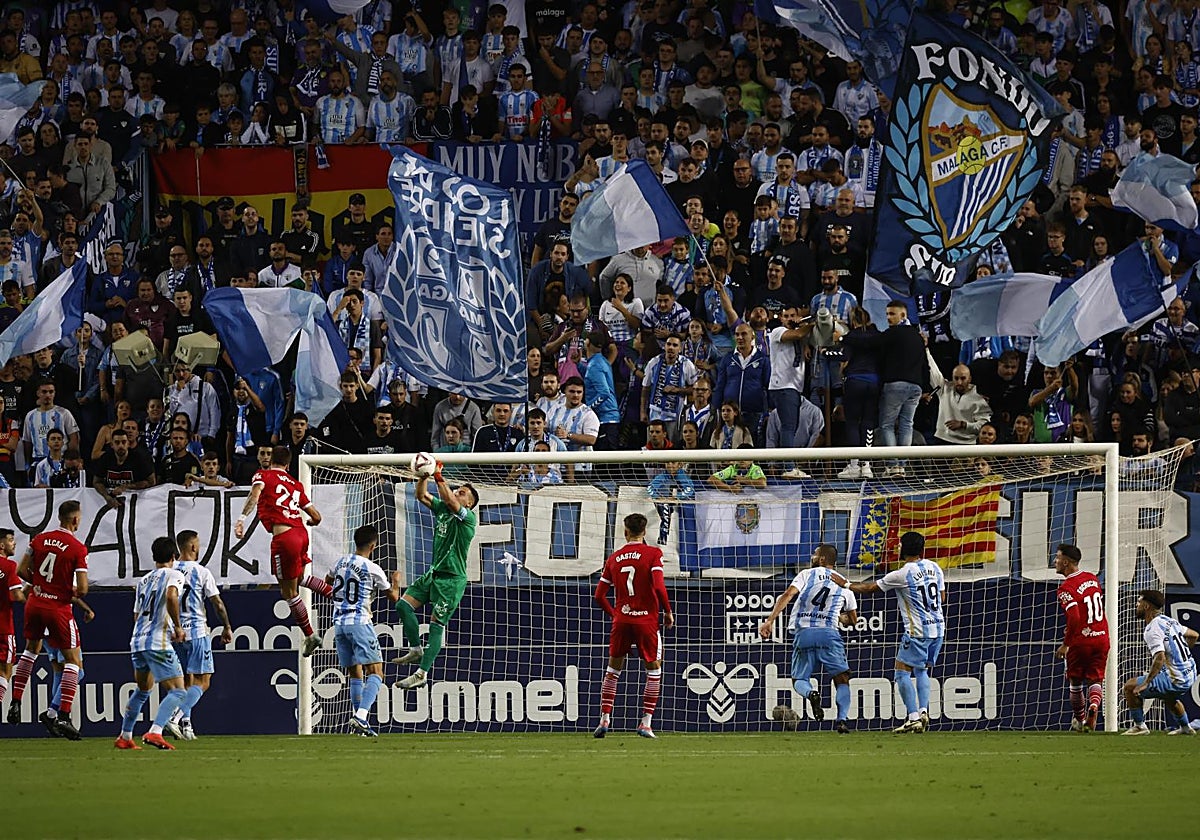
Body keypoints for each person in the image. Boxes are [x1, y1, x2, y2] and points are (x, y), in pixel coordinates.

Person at [391, 462, 479, 690]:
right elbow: (422, 495)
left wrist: (438, 475)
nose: (457, 492)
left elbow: (450, 499)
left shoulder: (467, 518)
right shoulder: (443, 510)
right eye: (457, 489)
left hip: (451, 580)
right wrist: (424, 475)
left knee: (436, 625)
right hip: (433, 573)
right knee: (402, 606)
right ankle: (415, 649)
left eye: (462, 492)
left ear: (469, 503)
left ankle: (422, 673)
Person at [5, 501, 88, 739]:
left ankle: (16, 701)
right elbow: (82, 589)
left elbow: (21, 571)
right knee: (74, 663)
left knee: (31, 651)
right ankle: (63, 715)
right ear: (74, 520)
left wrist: (42, 585)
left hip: (34, 603)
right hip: (58, 608)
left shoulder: (39, 539)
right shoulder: (77, 548)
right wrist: (61, 589)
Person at [235, 446, 328, 656]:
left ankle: (310, 635)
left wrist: (241, 519)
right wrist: (312, 522)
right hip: (301, 533)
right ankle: (337, 595)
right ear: (287, 465)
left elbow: (254, 494)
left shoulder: (263, 475)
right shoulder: (295, 484)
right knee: (301, 577)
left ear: (270, 461)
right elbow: (317, 516)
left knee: (288, 592)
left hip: (284, 538)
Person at [850, 531, 945, 733]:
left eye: (900, 545)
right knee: (920, 670)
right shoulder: (934, 568)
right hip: (938, 629)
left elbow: (869, 589)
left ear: (905, 548)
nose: (898, 547)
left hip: (917, 631)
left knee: (901, 672)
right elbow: (942, 597)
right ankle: (923, 710)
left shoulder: (901, 574)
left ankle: (913, 717)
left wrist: (846, 584)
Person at [758, 544, 857, 734]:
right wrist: (840, 617)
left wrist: (770, 620)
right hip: (829, 634)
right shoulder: (845, 583)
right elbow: (852, 620)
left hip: (804, 633)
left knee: (799, 679)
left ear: (821, 559)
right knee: (842, 679)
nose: (812, 557)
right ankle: (842, 720)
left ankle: (811, 693)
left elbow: (787, 595)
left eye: (815, 554)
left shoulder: (806, 574)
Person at [593, 513, 674, 739]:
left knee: (612, 670)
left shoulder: (614, 558)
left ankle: (605, 719)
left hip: (622, 620)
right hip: (645, 621)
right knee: (654, 671)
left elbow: (599, 595)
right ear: (645, 532)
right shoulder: (653, 553)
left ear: (625, 531)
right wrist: (667, 612)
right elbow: (658, 587)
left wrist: (615, 615)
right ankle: (646, 723)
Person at [115, 536, 189, 750]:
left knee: (143, 689)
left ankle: (125, 736)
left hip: (138, 641)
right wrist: (177, 626)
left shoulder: (143, 581)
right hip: (158, 641)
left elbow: (136, 616)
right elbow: (172, 596)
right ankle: (155, 731)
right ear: (174, 556)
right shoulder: (175, 574)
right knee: (178, 690)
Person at [327, 524, 401, 737]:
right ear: (373, 545)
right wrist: (396, 581)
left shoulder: (340, 562)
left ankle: (361, 724)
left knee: (355, 673)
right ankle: (360, 716)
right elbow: (393, 597)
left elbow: (327, 581)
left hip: (339, 624)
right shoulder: (372, 568)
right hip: (359, 622)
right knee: (376, 672)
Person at [163, 530, 232, 742]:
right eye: (198, 544)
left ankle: (186, 725)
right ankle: (174, 716)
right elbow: (217, 603)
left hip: (174, 634)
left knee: (184, 682)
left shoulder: (169, 571)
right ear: (192, 547)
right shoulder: (201, 572)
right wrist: (227, 626)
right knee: (203, 682)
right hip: (196, 632)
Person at [1121, 589, 1198, 735]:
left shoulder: (1152, 628)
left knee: (1130, 687)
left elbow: (1160, 657)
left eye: (1138, 602)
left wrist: (1146, 683)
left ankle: (1139, 726)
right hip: (1190, 671)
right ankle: (1186, 728)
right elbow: (1194, 635)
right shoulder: (1168, 621)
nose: (1136, 605)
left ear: (1146, 606)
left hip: (1177, 677)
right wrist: (1180, 657)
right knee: (1168, 696)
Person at [1053, 543, 1109, 732]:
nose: (1055, 561)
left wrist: (1065, 644)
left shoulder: (1066, 588)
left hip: (1081, 641)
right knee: (1095, 680)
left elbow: (1075, 616)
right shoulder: (1092, 578)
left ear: (1066, 562)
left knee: (1076, 682)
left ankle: (1080, 720)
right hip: (1102, 637)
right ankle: (1094, 706)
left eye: (1058, 557)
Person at [0, 528, 24, 713]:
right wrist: (34, 596)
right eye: (10, 540)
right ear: (1, 545)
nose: (13, 543)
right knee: (4, 672)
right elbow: (16, 595)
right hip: (3, 628)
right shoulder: (8, 566)